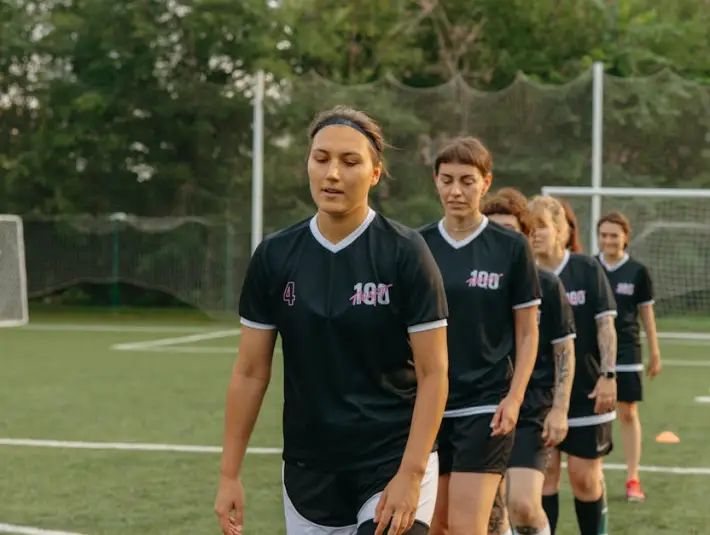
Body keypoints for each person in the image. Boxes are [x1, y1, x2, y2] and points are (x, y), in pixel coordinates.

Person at [215, 106, 450, 535]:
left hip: (391, 460)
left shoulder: (405, 253)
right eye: (321, 158)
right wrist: (229, 474)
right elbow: (250, 372)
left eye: (350, 161)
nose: (333, 174)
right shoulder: (275, 256)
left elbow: (434, 373)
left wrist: (411, 474)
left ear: (375, 173)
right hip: (310, 470)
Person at [419, 138, 542, 535]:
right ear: (436, 181)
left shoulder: (510, 247)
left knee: (467, 527)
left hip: (484, 406)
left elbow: (527, 332)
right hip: (426, 405)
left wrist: (515, 397)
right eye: (448, 180)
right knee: (435, 525)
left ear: (485, 183)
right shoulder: (416, 245)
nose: (456, 191)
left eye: (467, 181)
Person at [482, 188, 577, 535]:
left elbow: (563, 351)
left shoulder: (547, 286)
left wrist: (560, 409)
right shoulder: (469, 284)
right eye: (494, 230)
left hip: (531, 407)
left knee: (522, 505)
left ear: (524, 236)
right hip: (480, 404)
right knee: (493, 517)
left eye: (510, 230)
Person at [528, 195, 617, 535]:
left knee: (585, 479)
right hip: (539, 396)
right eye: (529, 228)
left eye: (542, 227)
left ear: (561, 231)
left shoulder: (586, 269)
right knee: (545, 480)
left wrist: (609, 375)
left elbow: (605, 325)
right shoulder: (525, 275)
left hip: (586, 391)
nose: (534, 234)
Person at [595, 211, 662, 503]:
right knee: (595, 414)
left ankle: (632, 477)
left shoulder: (637, 271)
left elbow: (646, 314)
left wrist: (655, 351)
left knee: (627, 412)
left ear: (625, 237)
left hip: (627, 351)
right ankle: (593, 475)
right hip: (593, 355)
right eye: (604, 235)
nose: (609, 240)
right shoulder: (588, 267)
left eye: (614, 235)